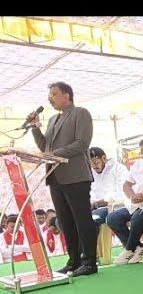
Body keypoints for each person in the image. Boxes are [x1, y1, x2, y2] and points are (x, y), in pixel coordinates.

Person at [29, 81, 97, 277]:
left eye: (54, 94)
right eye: (49, 95)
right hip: (55, 176)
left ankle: (90, 262)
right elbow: (45, 148)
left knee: (81, 219)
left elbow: (82, 143)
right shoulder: (51, 120)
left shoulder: (80, 113)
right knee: (65, 221)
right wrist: (34, 127)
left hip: (75, 176)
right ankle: (73, 261)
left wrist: (54, 154)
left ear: (67, 95)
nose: (50, 98)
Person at [89, 147, 128, 228]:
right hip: (93, 207)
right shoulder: (90, 172)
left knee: (91, 220)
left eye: (96, 163)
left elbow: (122, 193)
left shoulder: (118, 169)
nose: (94, 166)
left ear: (104, 158)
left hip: (114, 206)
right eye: (91, 164)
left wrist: (100, 202)